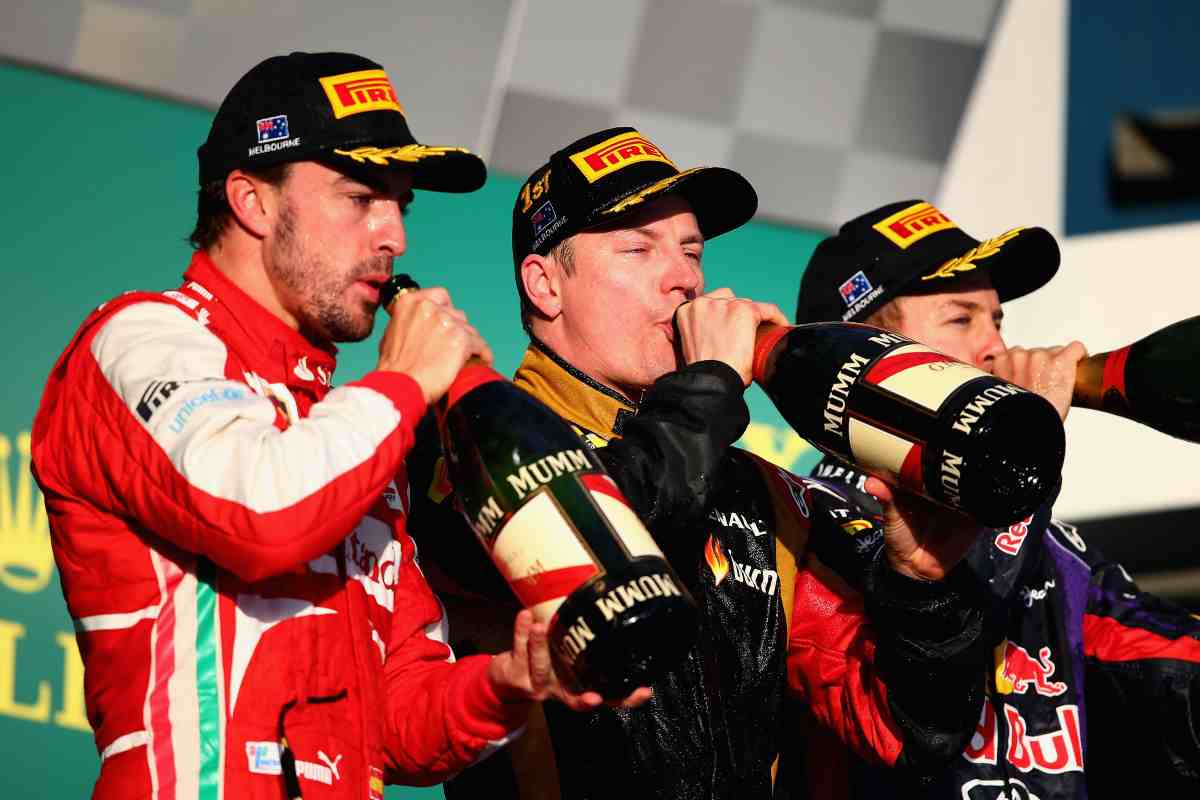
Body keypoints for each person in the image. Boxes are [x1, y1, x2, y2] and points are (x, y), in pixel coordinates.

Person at [30, 52, 645, 800]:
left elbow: (396, 723)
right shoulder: (141, 337)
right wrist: (408, 382)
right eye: (361, 198)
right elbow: (257, 513)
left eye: (401, 205)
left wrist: (510, 682)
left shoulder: (347, 433)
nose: (395, 237)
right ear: (253, 202)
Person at [405, 129, 1003, 800]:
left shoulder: (755, 488)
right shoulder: (477, 442)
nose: (685, 277)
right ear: (546, 285)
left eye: (691, 251)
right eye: (639, 248)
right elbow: (604, 529)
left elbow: (903, 732)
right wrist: (711, 382)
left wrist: (923, 583)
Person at [793, 199, 1200, 799]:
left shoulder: (1054, 547)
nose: (994, 347)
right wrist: (1016, 473)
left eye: (998, 321)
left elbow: (1170, 670)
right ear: (867, 356)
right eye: (962, 321)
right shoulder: (802, 515)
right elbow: (923, 663)